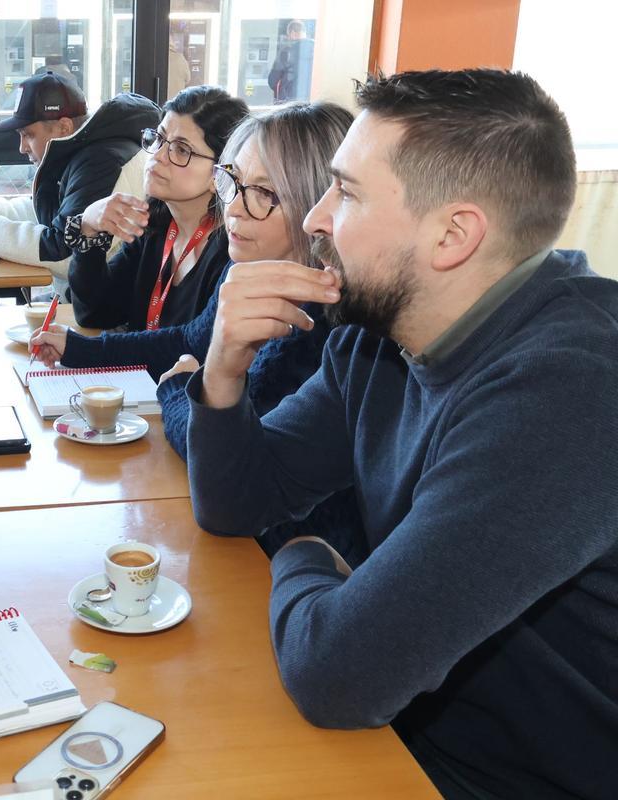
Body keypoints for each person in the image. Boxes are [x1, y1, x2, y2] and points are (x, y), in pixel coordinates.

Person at [187, 69, 618, 798]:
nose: (316, 219)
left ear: (453, 234)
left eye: (347, 193)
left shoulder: (572, 391)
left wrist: (301, 552)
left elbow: (339, 675)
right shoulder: (380, 336)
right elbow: (237, 503)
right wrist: (222, 373)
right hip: (405, 738)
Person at [33, 101, 363, 563]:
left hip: (274, 563)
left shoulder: (320, 327)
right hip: (245, 546)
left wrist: (180, 388)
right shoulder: (247, 272)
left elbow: (225, 461)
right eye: (233, 184)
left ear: (317, 205)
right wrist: (84, 350)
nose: (235, 210)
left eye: (265, 194)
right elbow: (186, 341)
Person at [0, 71, 160, 297]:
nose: (22, 147)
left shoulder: (100, 163)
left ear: (64, 127)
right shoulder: (87, 151)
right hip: (83, 299)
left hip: (106, 315)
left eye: (28, 135)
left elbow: (64, 252)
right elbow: (53, 214)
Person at [65, 86, 248, 331]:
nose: (158, 156)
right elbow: (95, 313)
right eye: (159, 138)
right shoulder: (155, 229)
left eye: (181, 149)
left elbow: (187, 348)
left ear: (220, 174)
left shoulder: (232, 251)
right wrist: (88, 227)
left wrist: (79, 350)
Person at [267, 20, 314, 103]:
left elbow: (273, 81)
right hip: (312, 101)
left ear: (292, 33)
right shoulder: (317, 49)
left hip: (290, 102)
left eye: (288, 36)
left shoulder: (287, 51)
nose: (288, 38)